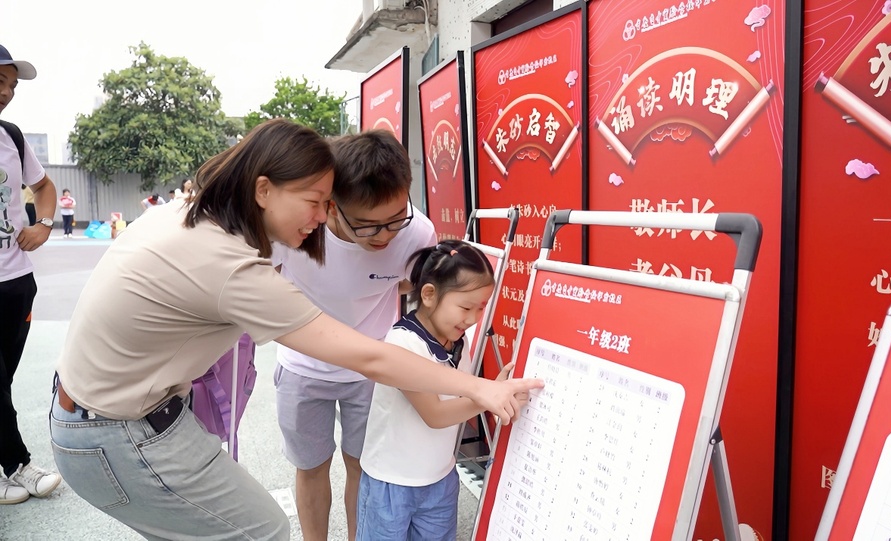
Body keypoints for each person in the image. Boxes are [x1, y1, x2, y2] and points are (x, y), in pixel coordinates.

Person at [49, 119, 540, 540]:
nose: (322, 218)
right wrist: (479, 387)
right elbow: (368, 356)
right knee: (263, 528)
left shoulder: (191, 217)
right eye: (316, 201)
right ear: (263, 189)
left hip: (120, 416)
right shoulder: (234, 264)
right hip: (117, 431)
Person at [271, 130, 436, 541]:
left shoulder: (417, 234)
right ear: (330, 207)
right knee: (311, 467)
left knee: (362, 466)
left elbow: (409, 283)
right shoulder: (296, 233)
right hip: (302, 369)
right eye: (367, 226)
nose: (384, 237)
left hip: (370, 370)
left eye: (395, 219)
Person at [357, 240, 526, 540]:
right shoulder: (403, 344)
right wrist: (488, 394)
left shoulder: (460, 341)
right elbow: (434, 414)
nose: (473, 318)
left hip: (440, 478)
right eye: (465, 307)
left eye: (481, 307)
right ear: (429, 295)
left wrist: (492, 391)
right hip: (392, 483)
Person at [0, 43, 62, 505]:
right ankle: (17, 464)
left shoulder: (11, 137)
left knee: (3, 380)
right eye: (0, 82)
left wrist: (43, 224)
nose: (6, 93)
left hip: (17, 282)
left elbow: (43, 187)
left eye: (12, 86)